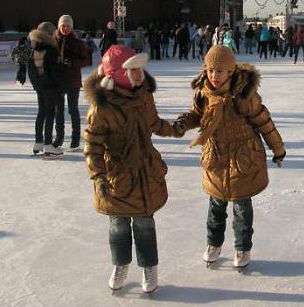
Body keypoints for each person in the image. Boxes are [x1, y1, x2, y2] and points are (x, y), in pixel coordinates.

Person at [172, 45, 285, 269]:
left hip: (244, 159)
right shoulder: (203, 93)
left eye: (220, 71)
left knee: (242, 208)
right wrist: (183, 123)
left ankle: (242, 248)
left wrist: (278, 149)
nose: (215, 76)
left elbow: (264, 122)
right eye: (211, 70)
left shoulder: (244, 96)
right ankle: (213, 244)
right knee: (216, 206)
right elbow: (197, 114)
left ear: (231, 72)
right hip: (216, 158)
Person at [83, 45, 181, 293]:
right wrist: (99, 177)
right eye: (133, 70)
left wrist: (176, 128)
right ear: (115, 74)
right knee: (118, 225)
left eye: (140, 69)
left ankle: (149, 267)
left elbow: (154, 123)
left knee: (145, 224)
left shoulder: (144, 95)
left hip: (145, 170)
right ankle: (120, 264)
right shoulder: (102, 107)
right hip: (117, 174)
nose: (139, 75)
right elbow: (92, 144)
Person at [26, 22, 65, 155]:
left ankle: (38, 142)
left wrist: (36, 85)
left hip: (40, 87)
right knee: (50, 114)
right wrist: (60, 87)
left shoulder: (33, 47)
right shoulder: (50, 48)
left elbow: (30, 70)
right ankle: (48, 144)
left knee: (41, 112)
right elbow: (55, 71)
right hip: (50, 87)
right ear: (49, 34)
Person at [55, 15, 90, 151]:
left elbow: (87, 60)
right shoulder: (54, 41)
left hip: (73, 81)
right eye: (63, 25)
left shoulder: (77, 42)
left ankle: (75, 138)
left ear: (71, 27)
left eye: (68, 26)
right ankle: (59, 137)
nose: (65, 28)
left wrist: (73, 63)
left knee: (72, 109)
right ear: (59, 26)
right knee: (59, 111)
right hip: (58, 81)